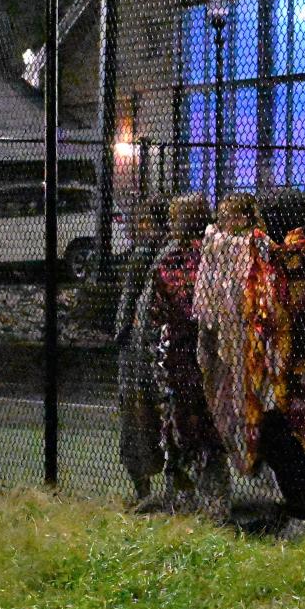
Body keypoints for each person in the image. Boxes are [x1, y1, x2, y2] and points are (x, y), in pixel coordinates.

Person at [244, 189, 305, 519]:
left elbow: (288, 297)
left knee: (293, 426)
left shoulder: (301, 254)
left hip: (303, 355)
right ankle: (301, 499)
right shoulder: (292, 251)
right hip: (294, 355)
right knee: (281, 424)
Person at [150, 194, 230, 518]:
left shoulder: (171, 263)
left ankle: (182, 500)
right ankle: (216, 501)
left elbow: (159, 312)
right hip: (216, 353)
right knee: (213, 425)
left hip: (181, 354)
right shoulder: (220, 256)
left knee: (181, 426)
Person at [194, 193, 266, 476]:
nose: (228, 222)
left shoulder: (255, 243)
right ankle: (232, 456)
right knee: (222, 401)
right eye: (223, 215)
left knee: (250, 394)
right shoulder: (216, 243)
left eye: (235, 215)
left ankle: (254, 459)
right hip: (224, 330)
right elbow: (209, 286)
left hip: (249, 331)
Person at [116, 197, 169, 502]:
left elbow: (129, 307)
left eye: (143, 220)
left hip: (144, 354)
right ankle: (150, 491)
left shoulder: (151, 254)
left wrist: (125, 334)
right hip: (150, 350)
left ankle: (145, 491)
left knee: (138, 421)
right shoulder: (152, 253)